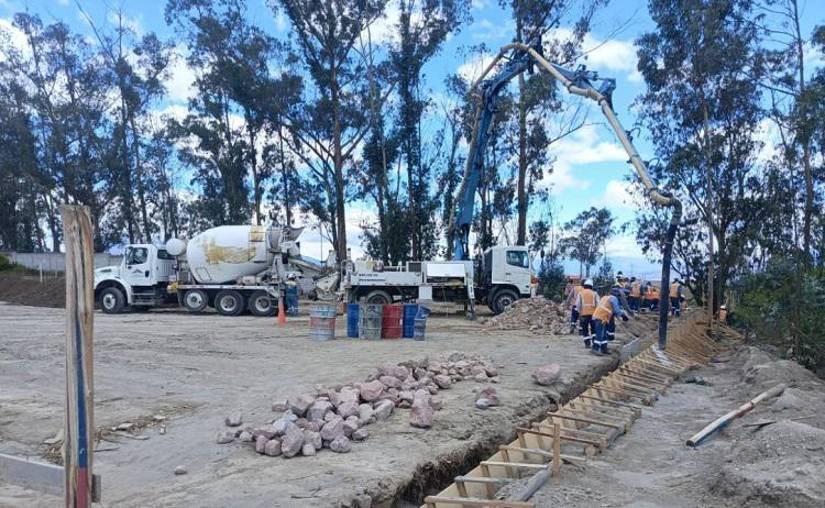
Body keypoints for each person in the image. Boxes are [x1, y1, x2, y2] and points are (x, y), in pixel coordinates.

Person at [575, 278, 599, 348]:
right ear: (591, 286)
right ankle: (595, 342)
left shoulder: (581, 293)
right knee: (594, 329)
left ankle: (587, 344)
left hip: (584, 314)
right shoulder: (595, 293)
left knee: (585, 329)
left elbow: (578, 304)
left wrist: (580, 311)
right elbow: (598, 304)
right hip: (593, 314)